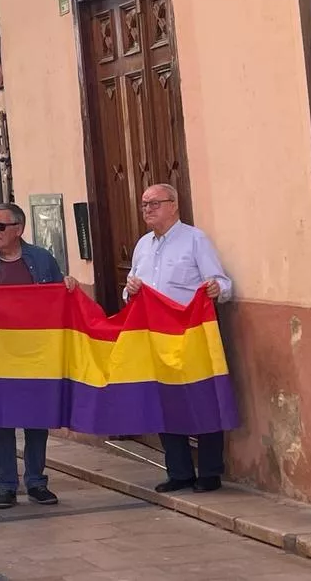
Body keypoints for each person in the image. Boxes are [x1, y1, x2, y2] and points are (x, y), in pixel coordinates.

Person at [0, 204, 79, 509]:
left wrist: (69, 287)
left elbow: (58, 294)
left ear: (18, 229)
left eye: (0, 226)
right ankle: (5, 485)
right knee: (1, 421)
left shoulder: (42, 260)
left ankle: (36, 482)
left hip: (35, 354)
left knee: (38, 419)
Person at [125, 183, 234, 494]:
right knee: (165, 402)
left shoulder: (195, 240)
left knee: (202, 399)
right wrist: (129, 290)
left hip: (190, 336)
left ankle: (210, 472)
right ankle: (179, 472)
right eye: (144, 204)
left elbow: (222, 283)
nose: (147, 209)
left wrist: (216, 289)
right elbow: (132, 286)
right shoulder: (143, 245)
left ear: (174, 205)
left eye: (154, 203)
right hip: (155, 339)